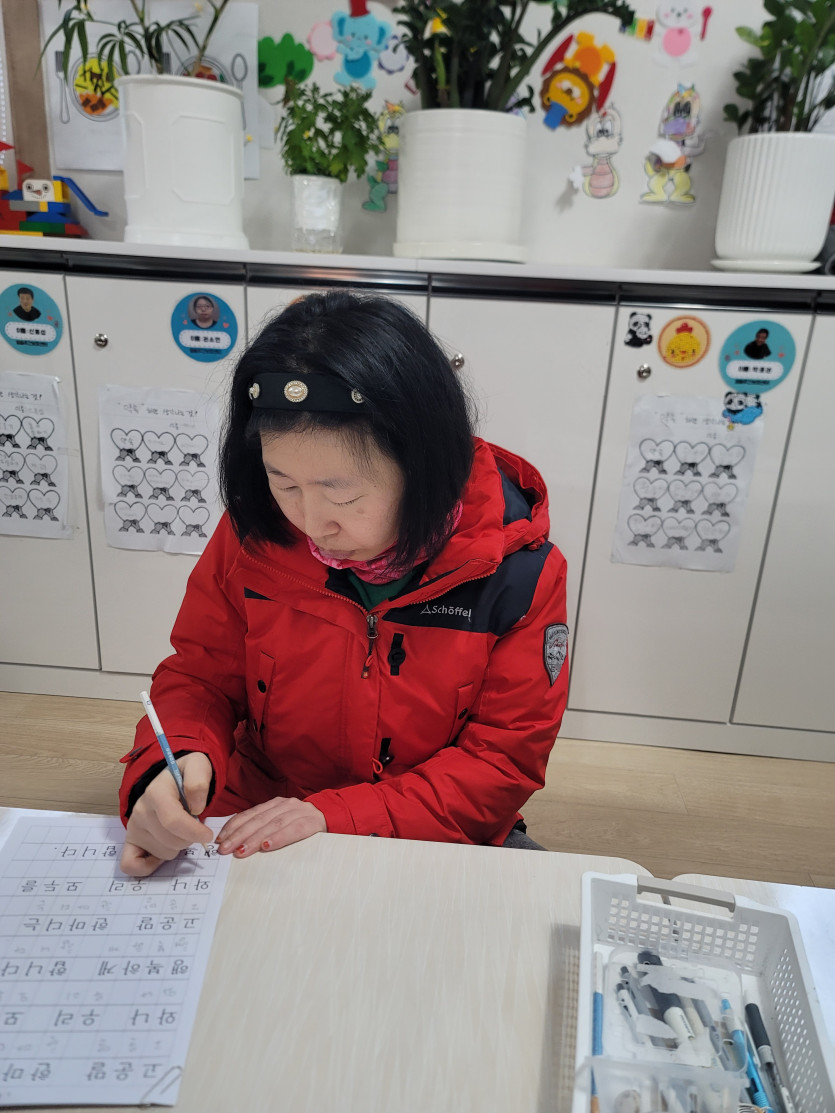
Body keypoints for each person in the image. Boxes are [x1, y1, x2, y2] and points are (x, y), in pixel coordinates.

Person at [118, 292, 569, 876]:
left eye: (342, 494)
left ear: (425, 466)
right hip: (259, 813)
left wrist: (336, 815)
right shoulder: (255, 534)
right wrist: (175, 759)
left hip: (427, 829)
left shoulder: (516, 572)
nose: (311, 524)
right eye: (284, 484)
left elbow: (501, 762)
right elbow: (201, 676)